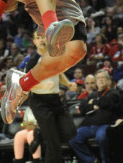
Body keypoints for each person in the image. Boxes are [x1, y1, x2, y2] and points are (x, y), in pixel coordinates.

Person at [25, 30, 77, 163]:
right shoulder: (32, 61)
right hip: (39, 102)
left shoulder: (53, 55)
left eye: (43, 37)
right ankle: (45, 135)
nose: (41, 40)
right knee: (54, 144)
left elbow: (58, 72)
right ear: (34, 42)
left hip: (55, 100)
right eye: (38, 38)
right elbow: (26, 85)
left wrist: (68, 84)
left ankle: (40, 133)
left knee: (70, 131)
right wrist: (42, 86)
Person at [69, 68, 121, 163]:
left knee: (101, 137)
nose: (101, 80)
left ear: (108, 81)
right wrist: (95, 105)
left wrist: (93, 103)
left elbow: (106, 102)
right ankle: (93, 160)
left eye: (103, 78)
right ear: (96, 82)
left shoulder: (114, 93)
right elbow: (83, 107)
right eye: (98, 78)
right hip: (88, 126)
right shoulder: (92, 95)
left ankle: (106, 160)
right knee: (72, 138)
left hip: (104, 124)